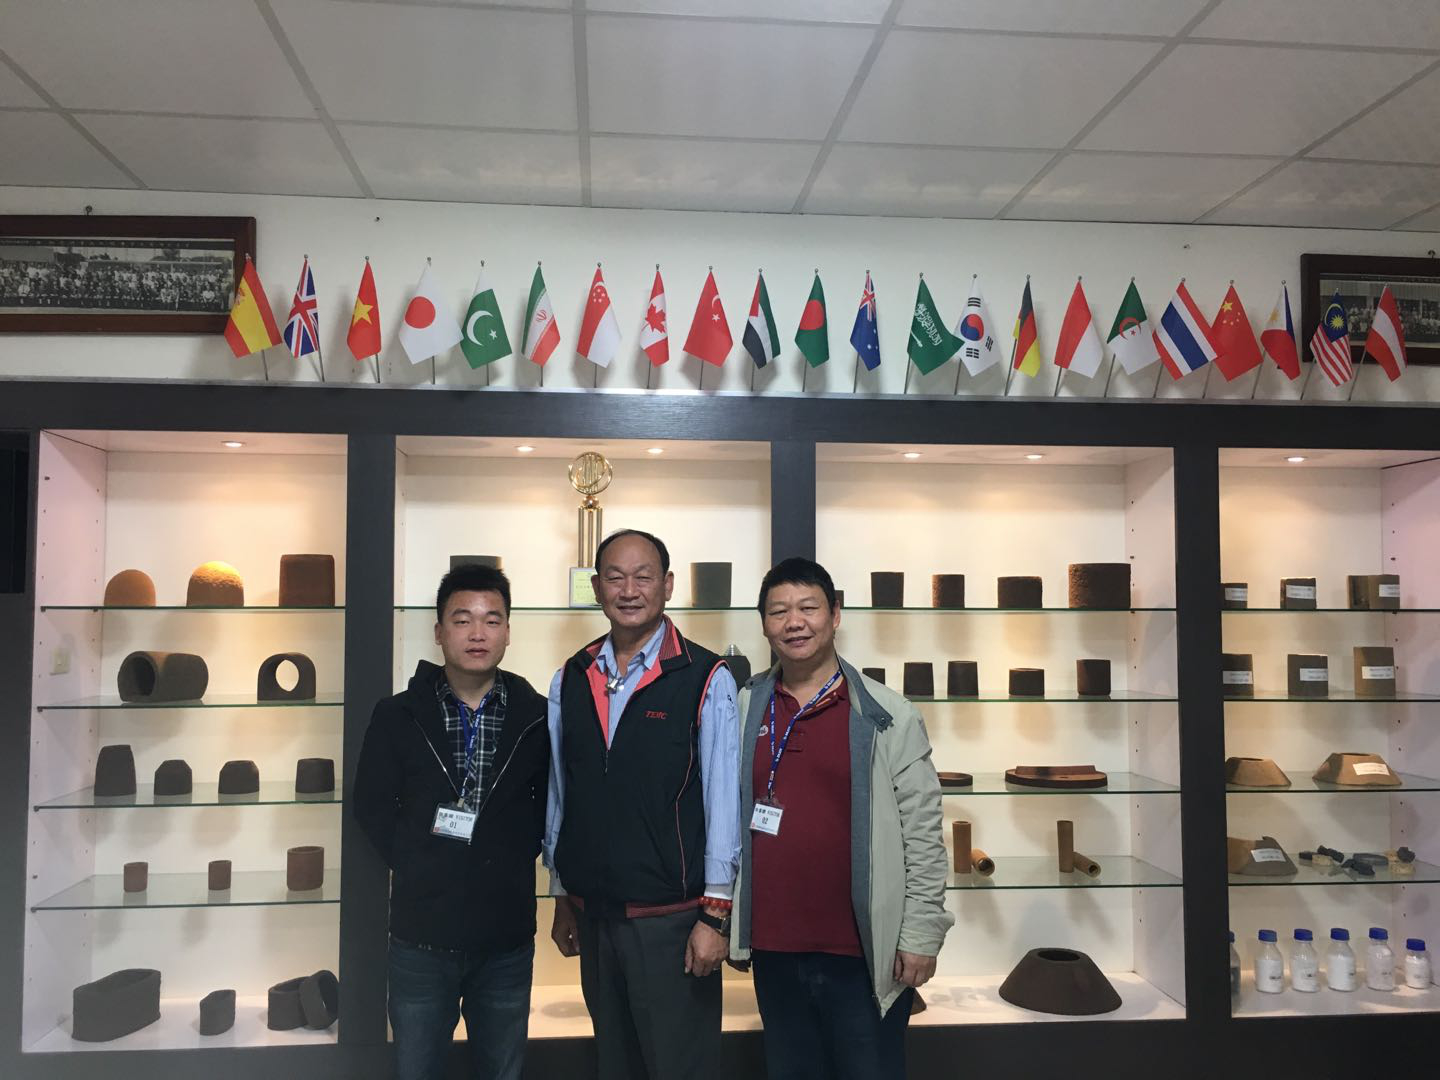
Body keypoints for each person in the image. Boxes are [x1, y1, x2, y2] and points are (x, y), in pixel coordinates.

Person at [729, 556, 953, 1080]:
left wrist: (921, 934)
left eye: (808, 608)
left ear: (835, 614)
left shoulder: (887, 714)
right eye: (779, 611)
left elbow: (923, 833)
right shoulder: (744, 705)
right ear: (764, 624)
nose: (794, 622)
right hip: (775, 947)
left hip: (863, 952)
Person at [543, 529, 740, 1080]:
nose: (629, 590)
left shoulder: (706, 678)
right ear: (596, 587)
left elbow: (723, 802)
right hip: (594, 914)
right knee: (615, 1063)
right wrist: (562, 894)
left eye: (643, 577)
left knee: (680, 1067)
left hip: (672, 921)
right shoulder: (572, 676)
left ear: (667, 585)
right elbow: (562, 793)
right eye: (615, 577)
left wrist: (716, 914)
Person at [354, 563, 549, 1080]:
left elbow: (549, 807)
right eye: (462, 620)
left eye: (491, 620)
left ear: (508, 631)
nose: (477, 633)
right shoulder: (397, 714)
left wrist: (505, 855)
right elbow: (372, 806)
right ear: (439, 631)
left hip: (506, 939)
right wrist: (419, 863)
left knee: (502, 1071)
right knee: (416, 1069)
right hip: (420, 938)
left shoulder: (537, 716)